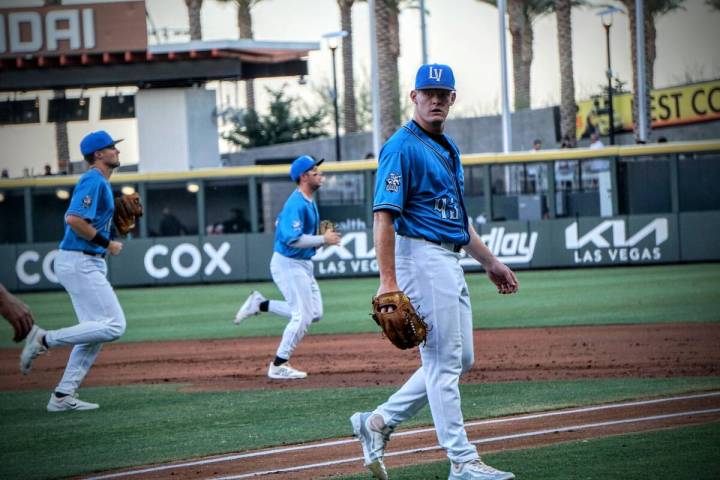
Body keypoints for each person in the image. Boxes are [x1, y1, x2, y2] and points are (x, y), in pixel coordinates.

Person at [350, 64, 518, 480]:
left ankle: (377, 422)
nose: (436, 99)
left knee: (461, 359)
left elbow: (458, 222)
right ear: (414, 97)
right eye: (429, 92)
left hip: (447, 256)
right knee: (443, 364)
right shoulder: (401, 147)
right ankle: (462, 461)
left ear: (453, 99)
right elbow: (384, 217)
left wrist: (490, 262)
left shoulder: (447, 148)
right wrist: (388, 281)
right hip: (419, 257)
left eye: (444, 93)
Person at [19, 130, 127, 412]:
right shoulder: (93, 179)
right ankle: (44, 338)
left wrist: (110, 229)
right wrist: (108, 242)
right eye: (111, 147)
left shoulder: (100, 182)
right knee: (114, 325)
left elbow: (87, 220)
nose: (116, 150)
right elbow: (74, 219)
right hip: (80, 261)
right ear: (98, 154)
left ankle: (63, 395)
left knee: (95, 332)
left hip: (84, 261)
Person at [233, 155, 341, 379]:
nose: (319, 173)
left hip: (302, 264)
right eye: (314, 171)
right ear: (303, 177)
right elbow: (292, 239)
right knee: (301, 316)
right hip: (288, 264)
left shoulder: (308, 201)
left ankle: (260, 304)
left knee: (315, 314)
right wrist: (322, 239)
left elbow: (293, 234)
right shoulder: (296, 203)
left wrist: (320, 238)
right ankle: (278, 364)